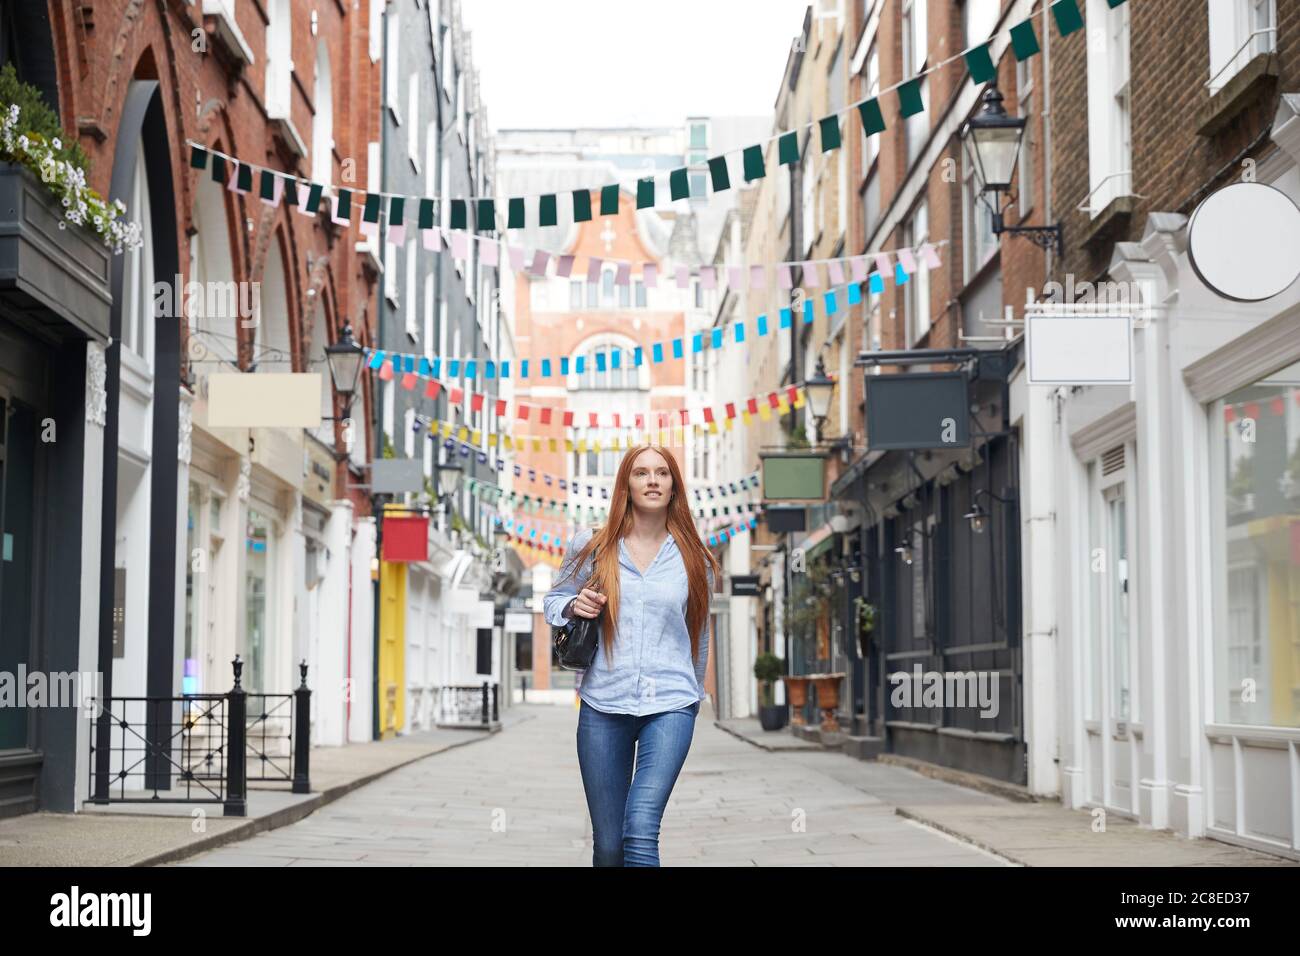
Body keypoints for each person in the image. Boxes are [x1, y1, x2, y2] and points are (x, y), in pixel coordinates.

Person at [544, 445, 720, 867]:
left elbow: (699, 633)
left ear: (674, 484)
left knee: (640, 829)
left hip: (671, 704)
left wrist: (693, 698)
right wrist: (573, 607)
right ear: (626, 484)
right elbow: (554, 600)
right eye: (641, 473)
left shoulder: (695, 558)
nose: (653, 480)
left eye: (662, 473)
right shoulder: (592, 546)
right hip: (603, 701)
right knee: (608, 846)